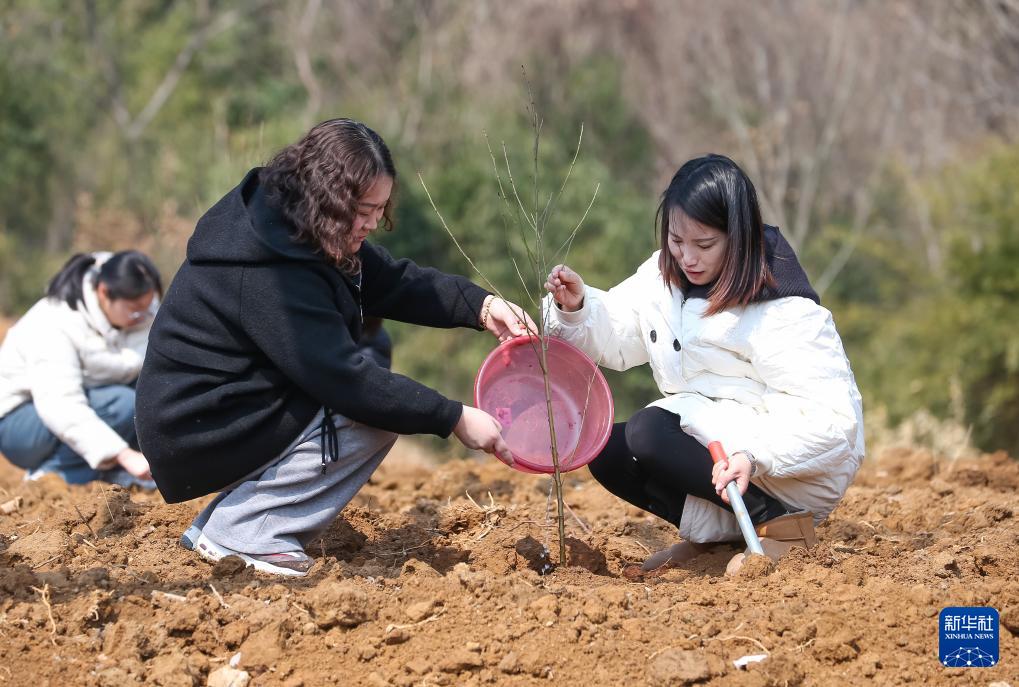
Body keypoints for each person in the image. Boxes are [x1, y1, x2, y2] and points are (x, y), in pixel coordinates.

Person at [135, 118, 534, 577]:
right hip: (196, 422)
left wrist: (481, 307)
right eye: (361, 211)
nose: (369, 224)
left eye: (378, 211)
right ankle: (244, 531)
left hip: (230, 405)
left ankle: (233, 520)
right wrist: (454, 417)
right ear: (327, 198)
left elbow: (395, 280)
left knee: (380, 405)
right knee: (371, 417)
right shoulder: (270, 272)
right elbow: (347, 381)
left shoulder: (304, 229)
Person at [543, 154, 864, 574]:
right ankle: (720, 540)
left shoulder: (786, 309)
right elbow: (619, 335)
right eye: (677, 241)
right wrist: (578, 308)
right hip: (719, 444)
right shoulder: (664, 276)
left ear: (739, 236)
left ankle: (779, 525)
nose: (687, 258)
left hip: (790, 470)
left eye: (705, 245)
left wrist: (756, 455)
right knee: (607, 449)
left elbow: (834, 423)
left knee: (650, 431)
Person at [0, 250, 161, 487]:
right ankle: (51, 477)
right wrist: (123, 455)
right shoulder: (55, 322)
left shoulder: (139, 309)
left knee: (152, 394)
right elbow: (60, 403)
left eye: (148, 308)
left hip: (87, 398)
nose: (143, 316)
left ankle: (108, 473)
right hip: (20, 424)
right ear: (104, 292)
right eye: (135, 310)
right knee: (124, 404)